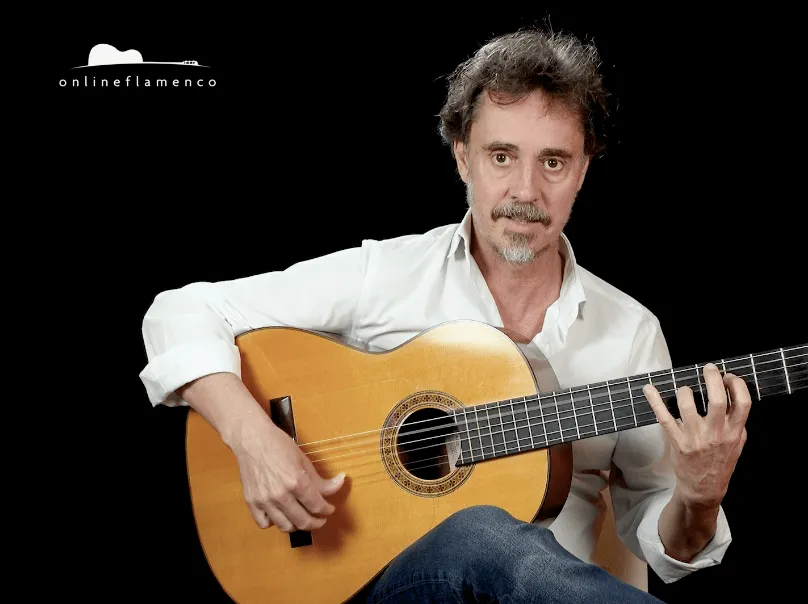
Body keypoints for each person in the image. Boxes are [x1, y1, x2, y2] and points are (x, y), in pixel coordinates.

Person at [140, 27, 751, 604]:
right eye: (502, 156)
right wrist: (255, 439)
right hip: (376, 589)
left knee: (487, 533)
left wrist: (699, 499)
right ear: (463, 158)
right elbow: (181, 310)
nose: (526, 191)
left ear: (583, 170)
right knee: (478, 532)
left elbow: (669, 546)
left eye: (553, 162)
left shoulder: (631, 333)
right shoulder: (388, 275)